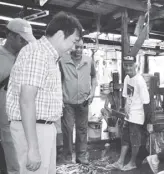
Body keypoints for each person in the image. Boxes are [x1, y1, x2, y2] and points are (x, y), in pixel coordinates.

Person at [6, 12, 82, 174]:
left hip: (42, 128)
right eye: (74, 41)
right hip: (34, 129)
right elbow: (26, 101)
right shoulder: (37, 54)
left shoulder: (49, 56)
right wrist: (32, 148)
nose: (74, 47)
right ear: (61, 35)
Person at [0, 18, 36, 174]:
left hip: (17, 115)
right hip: (4, 112)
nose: (25, 43)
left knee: (15, 151)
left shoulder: (26, 57)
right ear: (10, 35)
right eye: (22, 39)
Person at [106, 55, 150, 171]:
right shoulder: (126, 78)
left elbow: (147, 102)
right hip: (128, 115)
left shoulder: (140, 81)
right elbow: (126, 96)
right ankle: (120, 161)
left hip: (137, 117)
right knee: (125, 138)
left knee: (135, 141)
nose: (128, 67)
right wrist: (124, 107)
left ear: (136, 65)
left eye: (131, 65)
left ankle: (133, 162)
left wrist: (148, 122)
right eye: (126, 65)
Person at [58, 39, 97, 164]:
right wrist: (59, 97)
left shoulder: (88, 60)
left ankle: (81, 156)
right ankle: (68, 157)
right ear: (71, 47)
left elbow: (94, 77)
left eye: (81, 47)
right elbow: (58, 80)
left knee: (82, 129)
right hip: (67, 102)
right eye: (76, 47)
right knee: (68, 129)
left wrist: (92, 92)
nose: (79, 50)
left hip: (83, 101)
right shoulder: (63, 60)